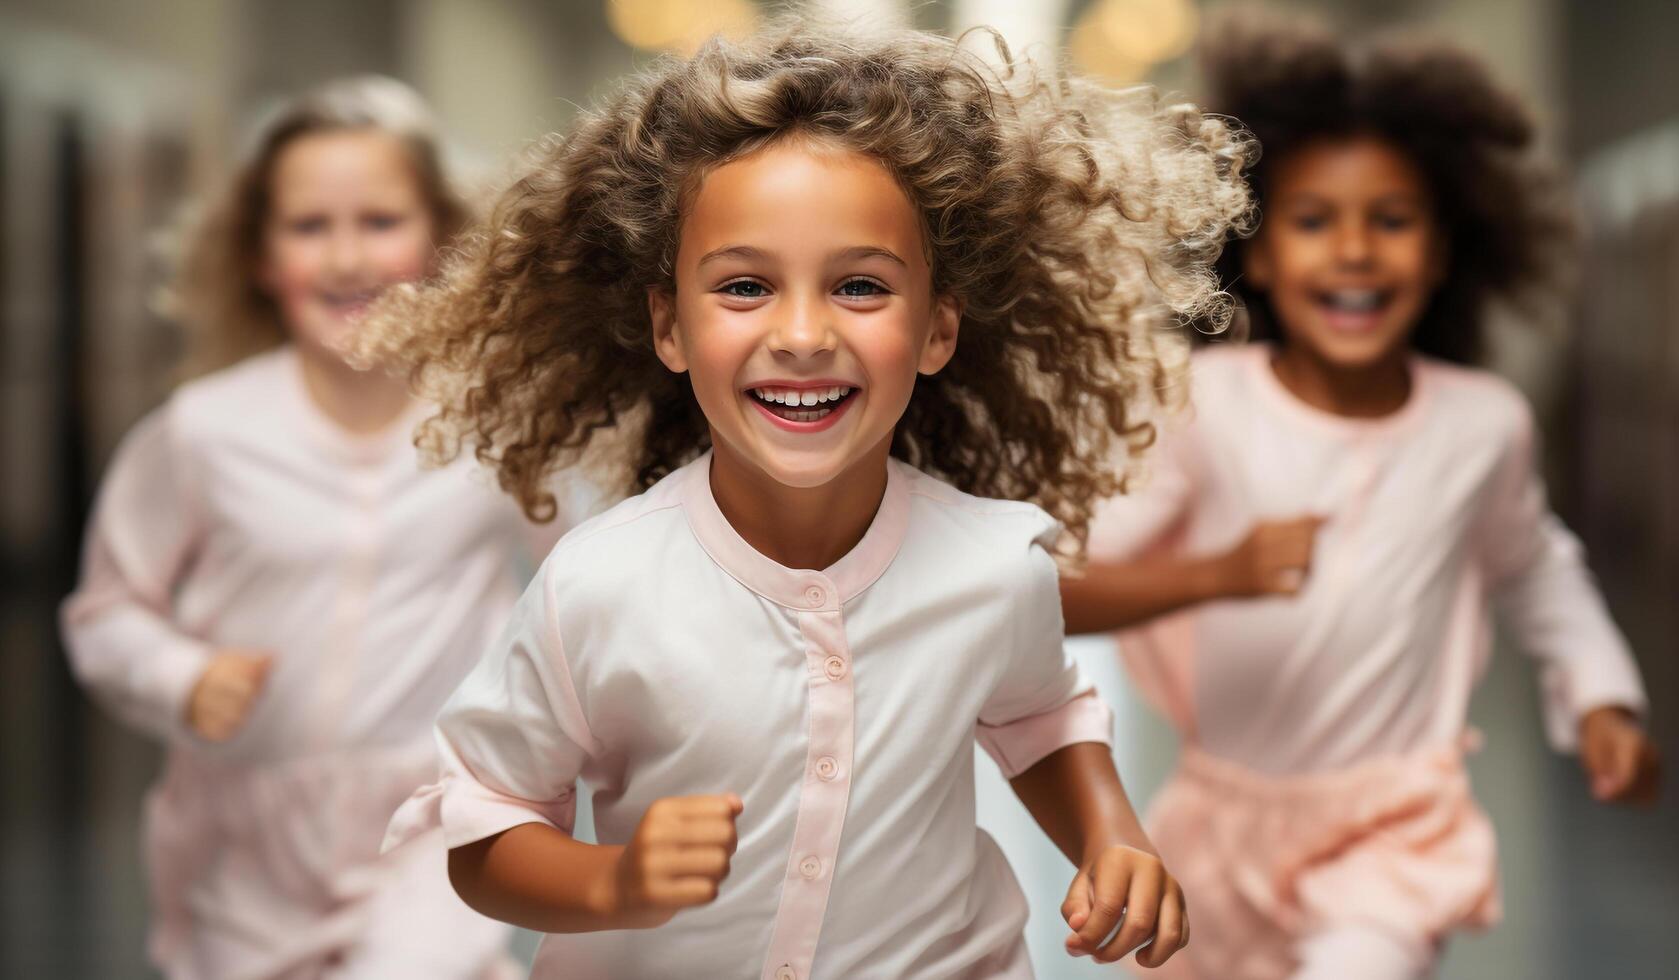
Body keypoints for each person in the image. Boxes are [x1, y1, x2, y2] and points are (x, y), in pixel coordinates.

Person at [368, 21, 1252, 978]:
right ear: (669, 327)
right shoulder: (597, 584)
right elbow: (487, 824)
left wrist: (1113, 836)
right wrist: (611, 884)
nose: (801, 333)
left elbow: (1038, 715)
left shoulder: (995, 565)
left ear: (936, 330)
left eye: (860, 286)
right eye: (745, 285)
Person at [1062, 11, 1660, 979]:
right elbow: (1058, 585)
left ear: (1437, 253)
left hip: (1392, 823)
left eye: (1389, 220)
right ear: (1253, 254)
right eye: (1311, 221)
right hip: (1219, 818)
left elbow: (1537, 568)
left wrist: (1599, 695)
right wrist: (1216, 573)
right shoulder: (1203, 404)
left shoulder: (1481, 424)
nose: (1351, 249)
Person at [61, 76, 573, 979]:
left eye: (380, 222)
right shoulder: (203, 432)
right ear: (261, 257)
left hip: (433, 809)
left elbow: (590, 579)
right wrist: (181, 677)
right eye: (309, 227)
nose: (346, 259)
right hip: (242, 839)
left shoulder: (494, 421)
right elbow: (105, 614)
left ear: (440, 243)